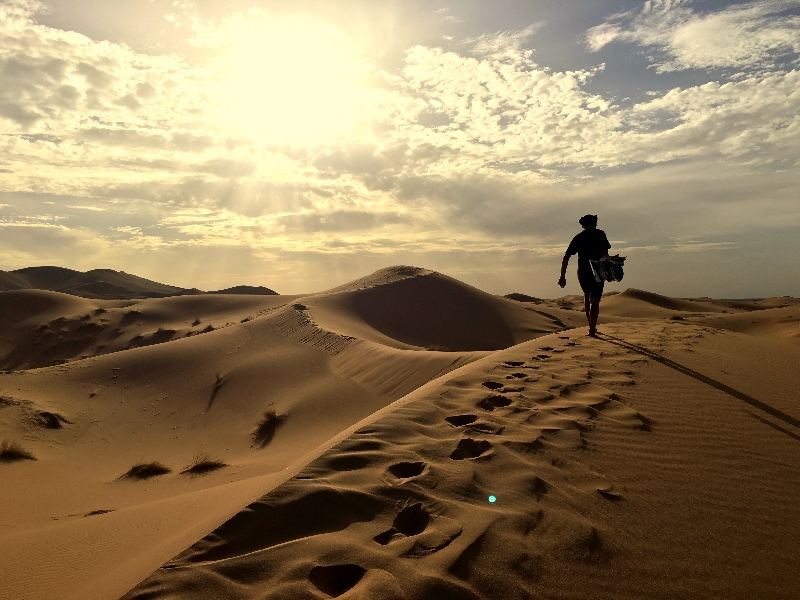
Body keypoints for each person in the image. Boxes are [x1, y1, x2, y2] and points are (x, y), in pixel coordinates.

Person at [558, 214, 611, 337]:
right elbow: (605, 254)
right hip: (598, 270)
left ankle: (590, 326)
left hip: (583, 271)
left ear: (582, 225)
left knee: (587, 296)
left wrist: (562, 276)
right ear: (595, 223)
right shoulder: (600, 234)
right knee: (595, 300)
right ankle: (592, 328)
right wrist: (608, 272)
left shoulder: (579, 237)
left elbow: (566, 256)